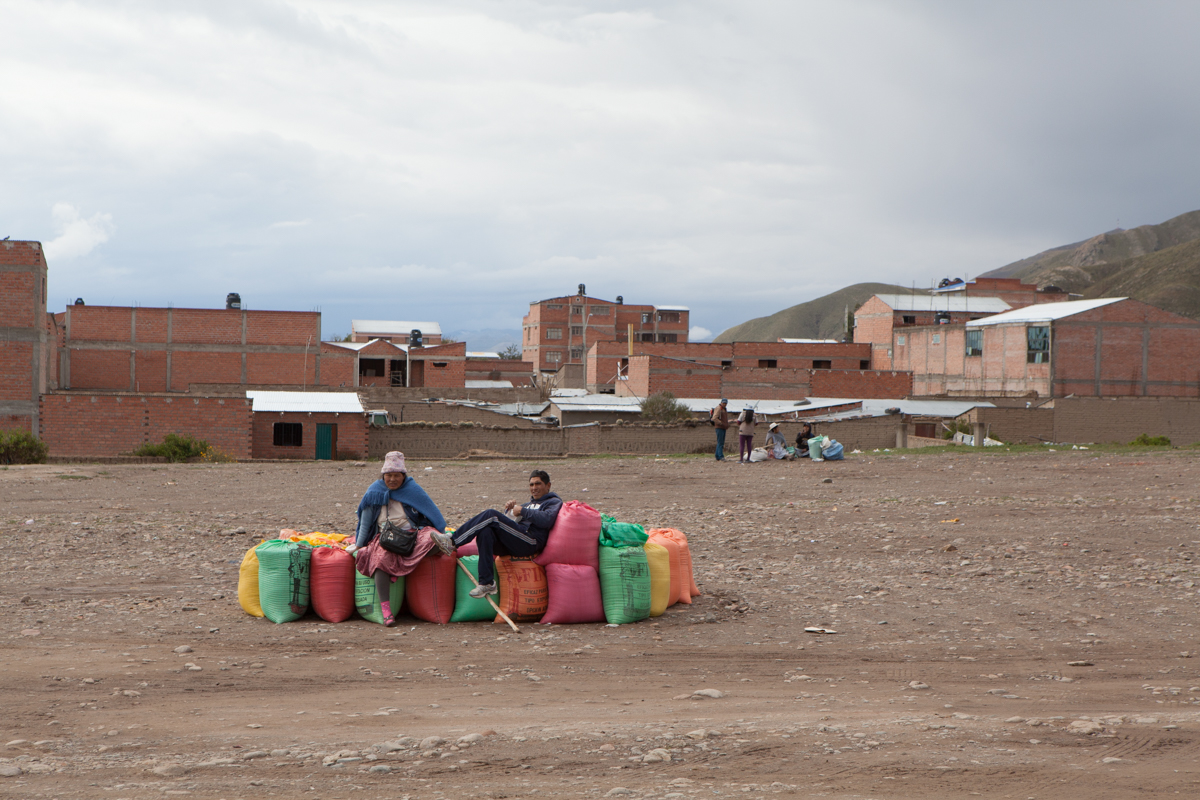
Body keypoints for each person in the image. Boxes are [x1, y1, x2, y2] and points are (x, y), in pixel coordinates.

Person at [349, 451, 447, 626]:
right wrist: (359, 545)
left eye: (396, 476)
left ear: (403, 476)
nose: (392, 480)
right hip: (385, 536)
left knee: (435, 541)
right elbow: (365, 523)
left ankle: (399, 567)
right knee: (379, 560)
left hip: (411, 534)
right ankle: (387, 612)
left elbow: (431, 513)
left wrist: (438, 531)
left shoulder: (412, 490)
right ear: (383, 475)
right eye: (388, 476)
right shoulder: (375, 492)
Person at [432, 470, 563, 598]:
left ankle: (452, 541)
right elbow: (511, 523)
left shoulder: (553, 502)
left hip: (530, 541)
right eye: (531, 484)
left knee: (491, 514)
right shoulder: (528, 504)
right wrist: (509, 511)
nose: (534, 488)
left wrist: (522, 511)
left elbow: (547, 519)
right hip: (515, 540)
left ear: (548, 485)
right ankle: (486, 582)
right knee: (485, 531)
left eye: (538, 484)